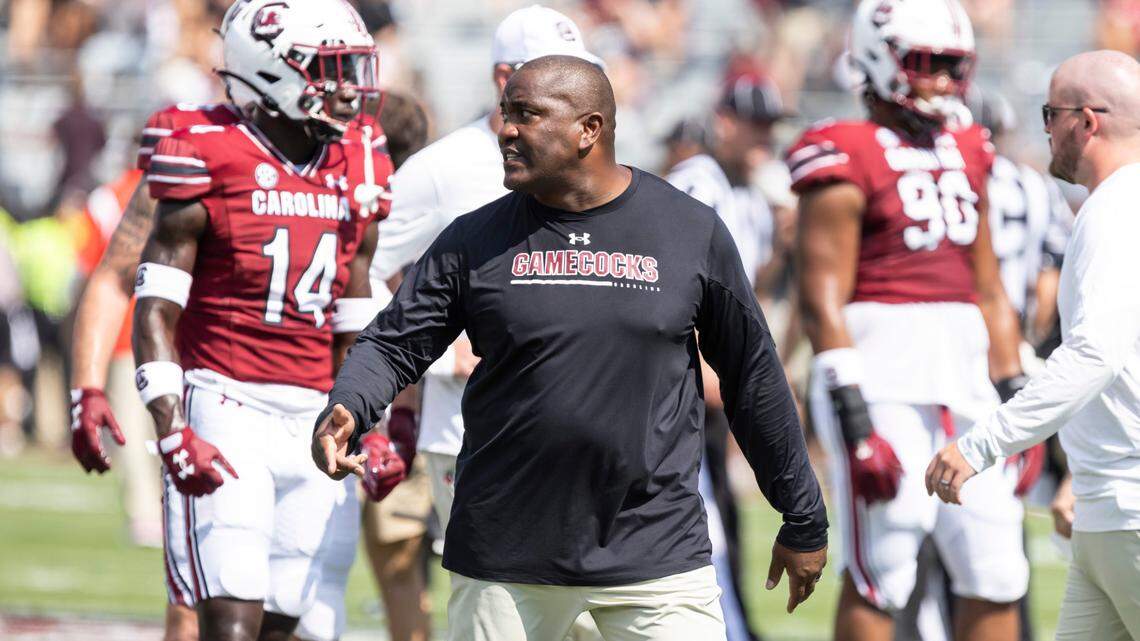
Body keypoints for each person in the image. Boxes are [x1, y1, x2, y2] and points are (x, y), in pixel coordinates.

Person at [315, 54, 828, 641]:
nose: (504, 130)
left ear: (590, 130)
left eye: (525, 115)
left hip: (655, 556)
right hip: (505, 560)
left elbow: (752, 375)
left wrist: (803, 515)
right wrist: (351, 403)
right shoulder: (473, 238)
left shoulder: (688, 231)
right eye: (505, 114)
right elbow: (394, 342)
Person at [131, 1, 401, 640]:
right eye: (329, 69)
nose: (347, 87)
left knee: (303, 620)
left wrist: (369, 421)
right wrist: (170, 425)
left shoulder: (357, 158)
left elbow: (354, 307)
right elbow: (156, 307)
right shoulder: (206, 147)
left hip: (313, 414)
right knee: (232, 617)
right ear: (272, 68)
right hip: (227, 402)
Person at [788, 1, 1035, 640]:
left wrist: (1018, 404)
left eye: (955, 66)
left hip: (967, 378)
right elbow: (822, 296)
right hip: (881, 373)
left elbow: (990, 289)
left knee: (997, 566)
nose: (945, 81)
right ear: (880, 57)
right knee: (885, 567)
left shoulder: (971, 147)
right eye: (929, 65)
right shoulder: (842, 148)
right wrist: (853, 416)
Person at [927, 49, 1140, 641]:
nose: (1045, 129)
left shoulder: (1116, 209)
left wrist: (982, 444)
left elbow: (1095, 354)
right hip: (1107, 509)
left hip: (1128, 510)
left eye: (1051, 114)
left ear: (1086, 122)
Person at [664, 73, 795, 641]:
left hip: (714, 376)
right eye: (755, 125)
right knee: (701, 521)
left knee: (725, 520)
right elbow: (678, 287)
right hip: (678, 381)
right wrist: (714, 369)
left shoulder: (750, 194)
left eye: (770, 125)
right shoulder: (699, 183)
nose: (765, 137)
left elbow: (744, 292)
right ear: (724, 123)